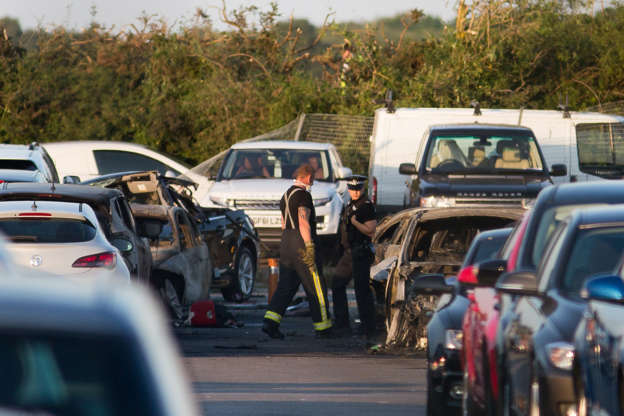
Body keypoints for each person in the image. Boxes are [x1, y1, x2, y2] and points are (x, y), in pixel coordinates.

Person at [262, 164, 333, 339]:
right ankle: (323, 327)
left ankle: (270, 322)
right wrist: (309, 246)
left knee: (286, 286)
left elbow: (283, 222)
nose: (313, 182)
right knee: (315, 285)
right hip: (301, 243)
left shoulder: (286, 195)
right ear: (308, 177)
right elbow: (303, 222)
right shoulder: (303, 195)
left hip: (286, 242)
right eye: (314, 179)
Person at [331, 175, 378, 345]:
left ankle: (368, 327)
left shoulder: (366, 207)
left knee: (362, 290)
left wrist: (355, 222)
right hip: (349, 252)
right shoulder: (350, 205)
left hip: (360, 252)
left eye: (357, 189)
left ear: (362, 189)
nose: (355, 192)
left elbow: (371, 230)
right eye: (352, 189)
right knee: (337, 284)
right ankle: (342, 323)